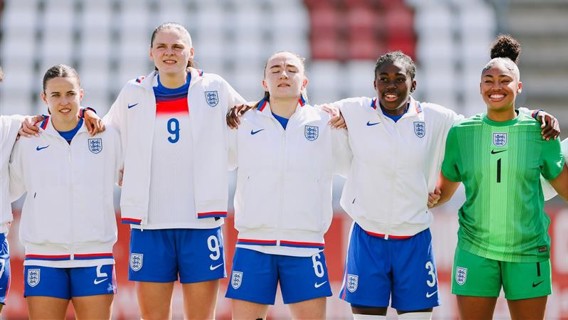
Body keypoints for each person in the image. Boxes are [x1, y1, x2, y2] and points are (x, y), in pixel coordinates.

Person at [103, 22, 246, 319]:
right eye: (163, 47)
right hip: (149, 222)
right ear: (151, 53)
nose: (170, 53)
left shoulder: (215, 87)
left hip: (201, 222)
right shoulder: (133, 92)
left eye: (178, 47)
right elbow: (106, 134)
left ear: (190, 52)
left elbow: (254, 121)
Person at [431, 34, 568, 320]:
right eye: (489, 81)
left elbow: (564, 186)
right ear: (479, 87)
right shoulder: (462, 133)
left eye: (504, 80)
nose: (496, 87)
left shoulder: (540, 131)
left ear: (519, 86)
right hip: (475, 250)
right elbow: (444, 188)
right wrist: (432, 197)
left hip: (529, 251)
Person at [224, 51, 351, 319]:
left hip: (305, 243)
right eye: (275, 69)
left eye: (291, 69)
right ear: (264, 83)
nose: (283, 74)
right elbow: (215, 162)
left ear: (304, 81)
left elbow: (352, 168)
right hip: (253, 243)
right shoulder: (242, 121)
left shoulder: (326, 122)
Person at [8, 64, 121, 319]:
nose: (64, 101)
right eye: (56, 95)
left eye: (70, 93)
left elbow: (129, 175)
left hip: (94, 254)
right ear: (44, 98)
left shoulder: (106, 136)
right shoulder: (28, 140)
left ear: (82, 94)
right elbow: (11, 190)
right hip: (43, 257)